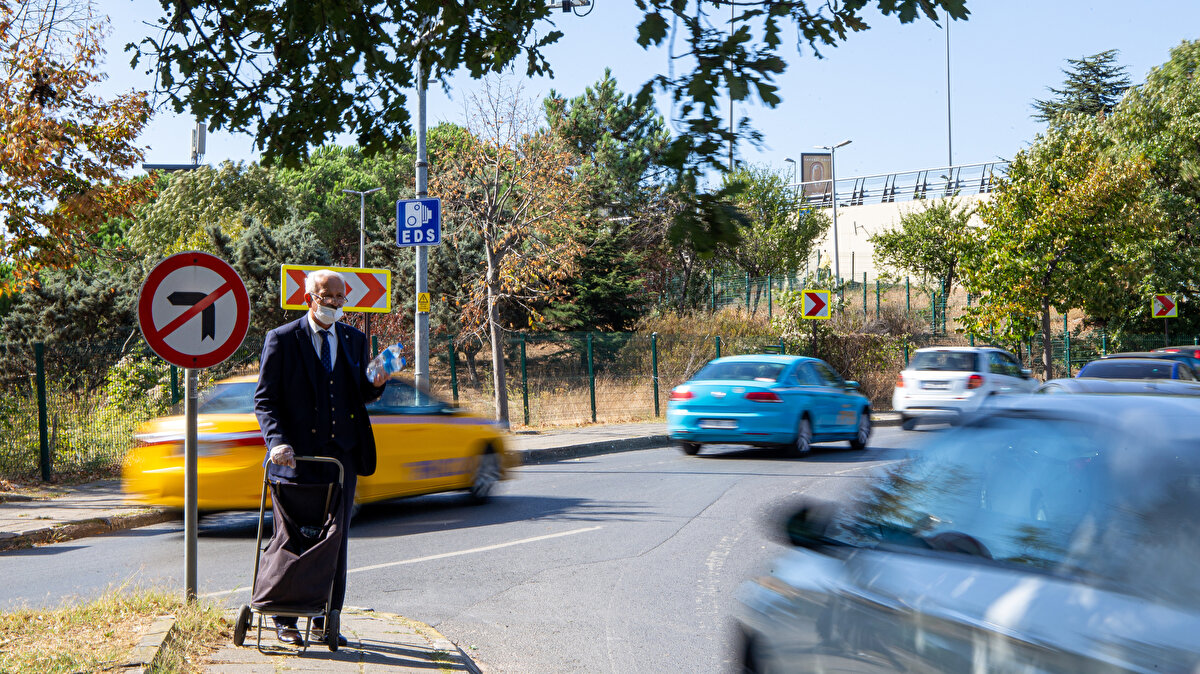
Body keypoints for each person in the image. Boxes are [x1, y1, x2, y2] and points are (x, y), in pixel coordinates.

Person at [254, 269, 386, 646]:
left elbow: (359, 392)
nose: (335, 304)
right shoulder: (281, 339)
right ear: (308, 296)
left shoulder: (354, 339)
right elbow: (265, 399)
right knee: (293, 538)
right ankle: (285, 620)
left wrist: (377, 381)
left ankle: (327, 618)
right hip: (295, 460)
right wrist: (276, 441)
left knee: (335, 540)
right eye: (328, 297)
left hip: (341, 460)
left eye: (341, 298)